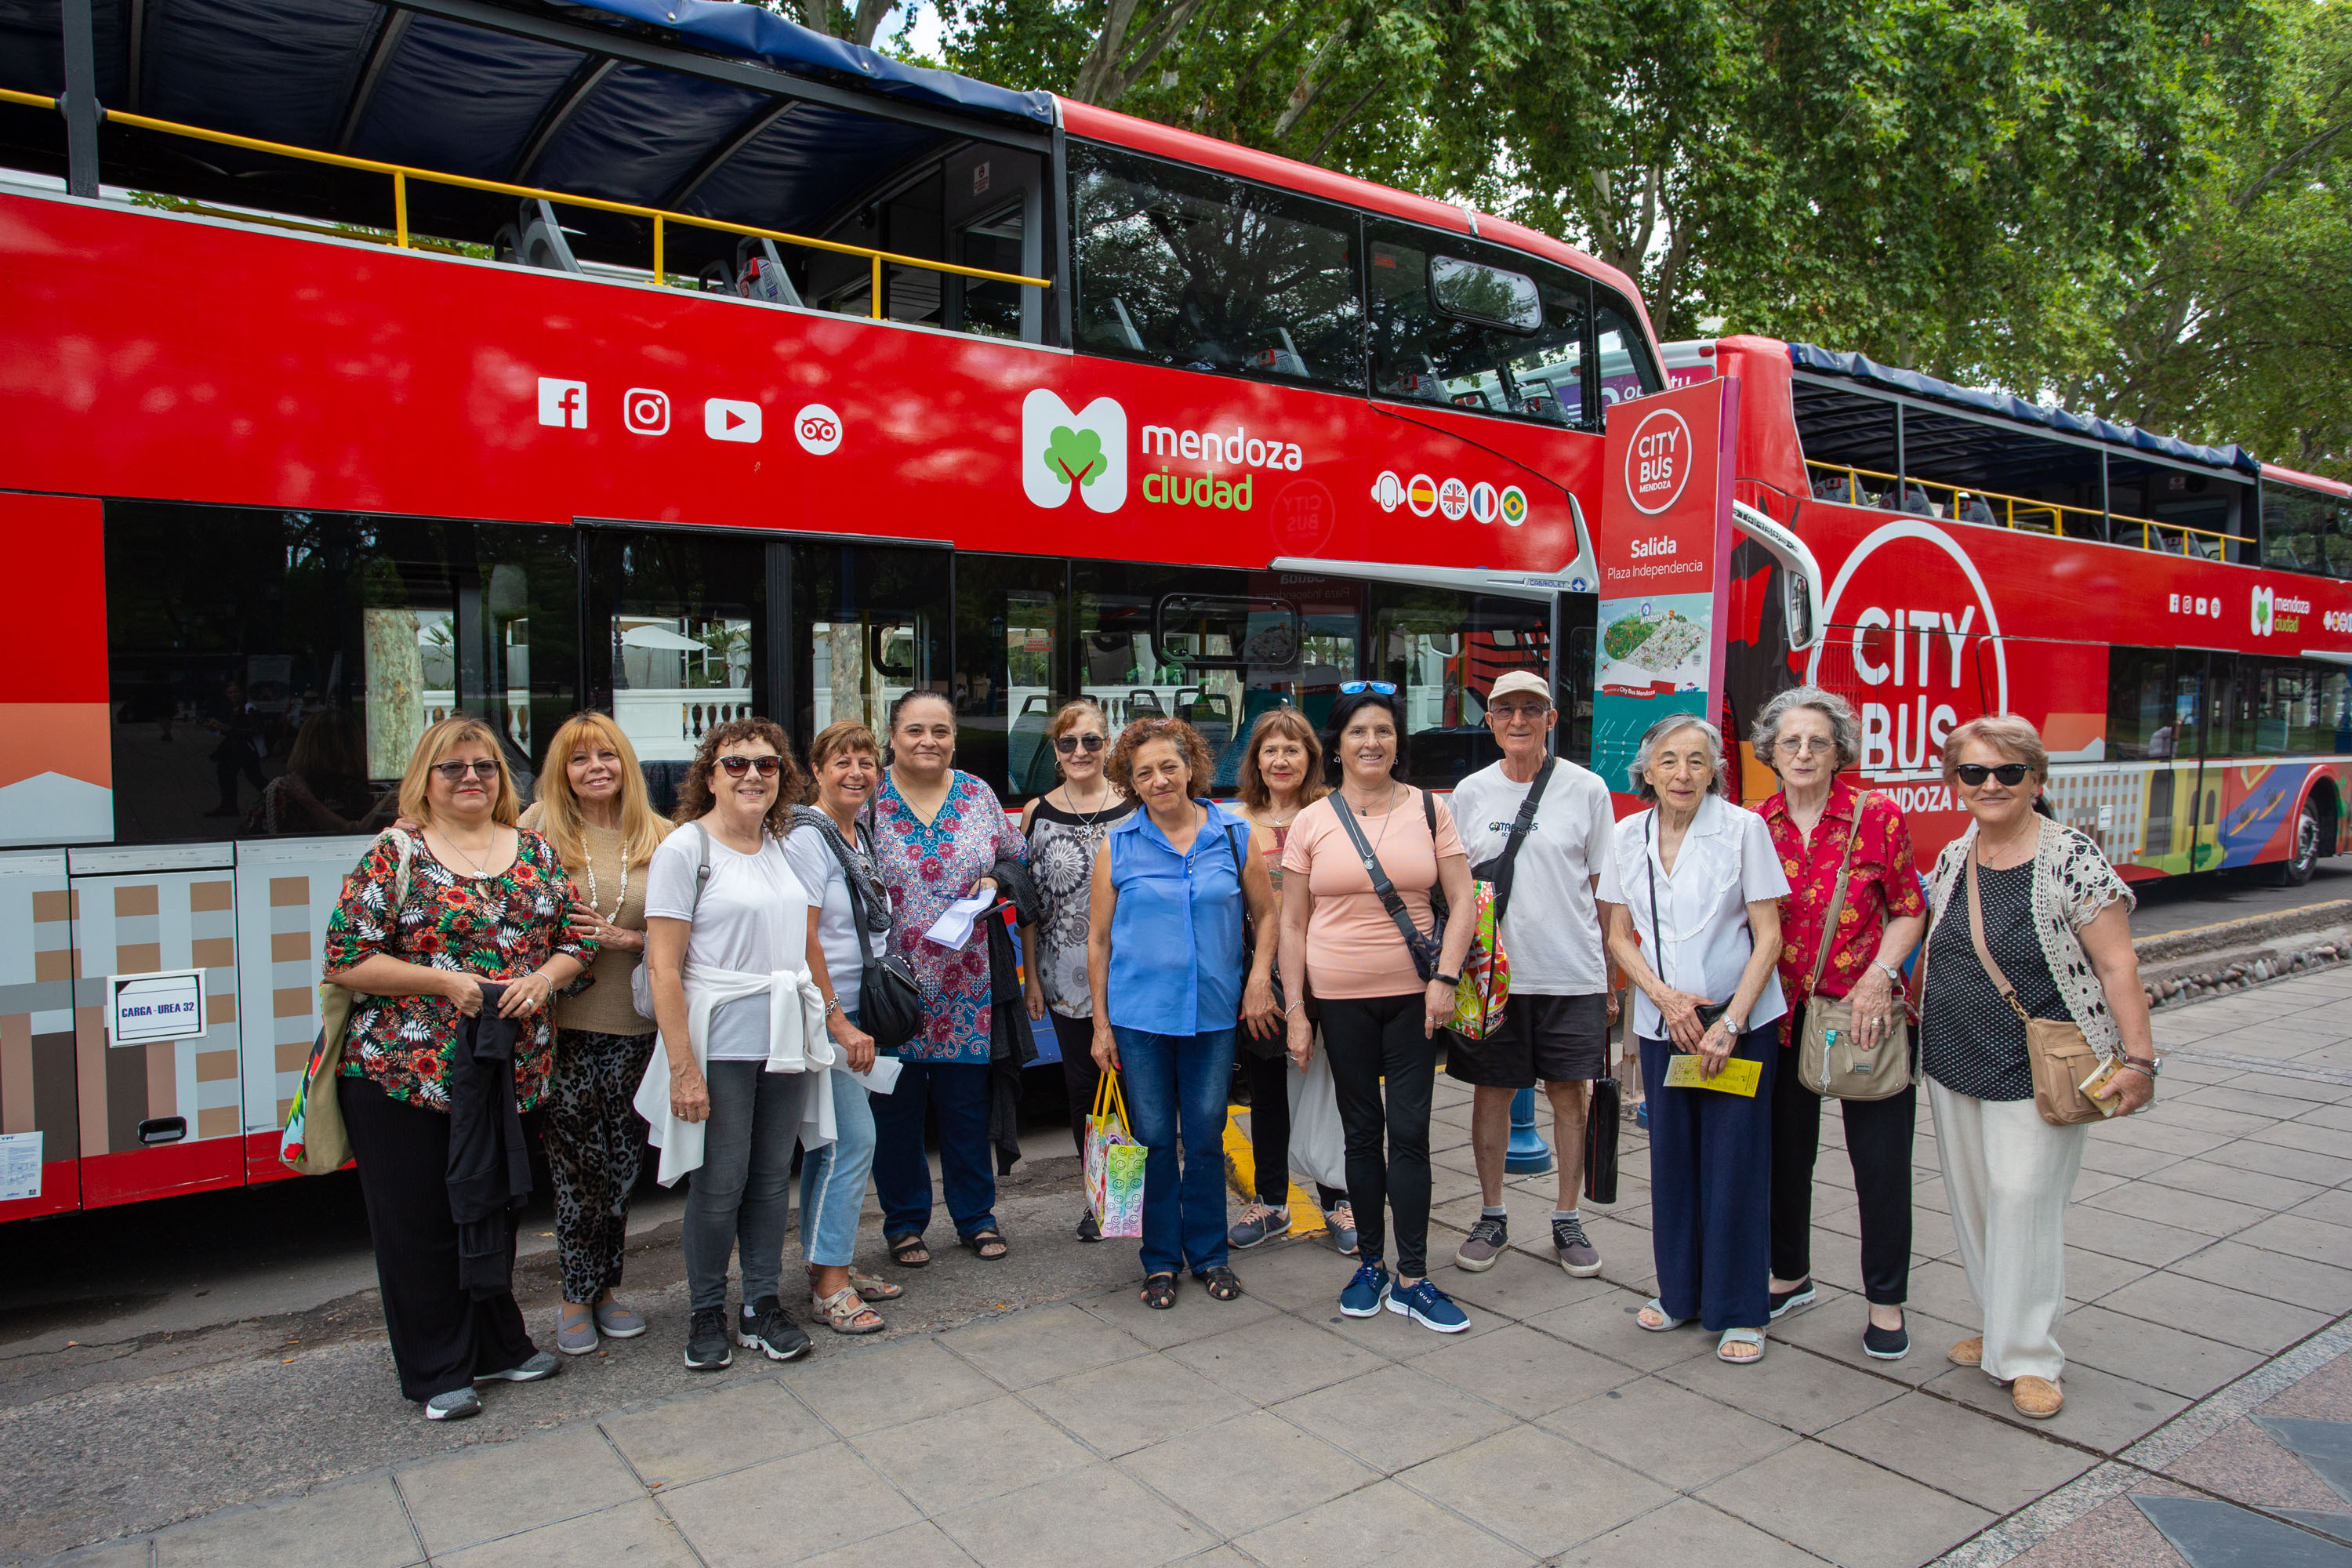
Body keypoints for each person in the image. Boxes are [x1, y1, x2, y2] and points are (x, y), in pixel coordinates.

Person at [321, 714, 593, 1421]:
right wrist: (443, 982)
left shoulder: (532, 849)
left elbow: (575, 940)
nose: (471, 778)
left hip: (509, 1074)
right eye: (453, 768)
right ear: (426, 779)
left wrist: (547, 979)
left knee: (495, 1213)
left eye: (485, 766)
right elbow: (347, 958)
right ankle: (437, 1368)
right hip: (406, 1075)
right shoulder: (395, 853)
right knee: (419, 1226)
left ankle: (498, 1346)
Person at [1918, 715, 2155, 1420]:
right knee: (1978, 1201)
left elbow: (2118, 964)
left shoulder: (2070, 857)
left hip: (2040, 1060)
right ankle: (2002, 1327)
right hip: (1954, 1051)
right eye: (1974, 772)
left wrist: (2139, 1060)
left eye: (2008, 772)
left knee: (2025, 1199)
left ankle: (2030, 1356)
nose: (1991, 785)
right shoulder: (1957, 854)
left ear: (2037, 780)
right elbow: (1941, 943)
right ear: (1955, 783)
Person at [1279, 684, 1479, 1333]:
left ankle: (1413, 1276)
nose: (1372, 743)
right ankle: (1371, 1263)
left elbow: (1463, 900)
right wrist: (1299, 1013)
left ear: (1399, 742)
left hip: (1414, 999)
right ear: (1336, 745)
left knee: (1412, 1135)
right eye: (1359, 732)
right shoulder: (1311, 821)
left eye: (1384, 732)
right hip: (1338, 999)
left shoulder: (1428, 809)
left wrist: (1445, 979)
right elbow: (1292, 926)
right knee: (1361, 1135)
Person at [640, 718, 832, 1372]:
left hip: (783, 1040)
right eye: (736, 764)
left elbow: (803, 944)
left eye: (768, 765)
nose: (753, 775)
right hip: (718, 1040)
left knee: (773, 1180)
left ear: (783, 776)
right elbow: (665, 968)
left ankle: (761, 1304)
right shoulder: (684, 850)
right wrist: (682, 1067)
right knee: (720, 1182)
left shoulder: (783, 842)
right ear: (710, 776)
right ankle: (705, 1311)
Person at [1600, 717, 1789, 1364]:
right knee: (1672, 1161)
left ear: (1715, 771)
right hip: (1666, 1025)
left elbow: (1769, 937)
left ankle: (1740, 1310)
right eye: (1669, 762)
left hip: (1739, 1026)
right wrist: (1663, 997)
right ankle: (1680, 1292)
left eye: (1697, 762)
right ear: (1648, 771)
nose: (1683, 774)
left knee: (1736, 1164)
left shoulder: (1744, 830)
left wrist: (1731, 1020)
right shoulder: (1628, 835)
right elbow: (1619, 935)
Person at [1751, 688, 1926, 1359]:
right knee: (1784, 1162)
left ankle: (1886, 1303)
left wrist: (1882, 976)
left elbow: (1910, 906)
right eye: (1790, 742)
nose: (1802, 753)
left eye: (1817, 742)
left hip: (1863, 1018)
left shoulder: (1876, 816)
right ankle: (1790, 1275)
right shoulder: (1754, 823)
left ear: (1838, 752)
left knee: (1880, 1168)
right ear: (1769, 750)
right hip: (1782, 1019)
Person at [1088, 717, 1279, 1308]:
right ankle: (1161, 1260)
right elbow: (1097, 940)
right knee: (1150, 1138)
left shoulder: (1232, 834)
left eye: (1169, 766)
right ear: (1130, 783)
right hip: (1140, 1019)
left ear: (1192, 766)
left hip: (1215, 1015)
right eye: (1143, 772)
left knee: (1203, 1136)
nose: (1159, 779)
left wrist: (1257, 984)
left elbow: (1267, 915)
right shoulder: (1117, 845)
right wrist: (1100, 1024)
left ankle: (1211, 1255)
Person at [1443, 670, 1620, 1277]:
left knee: (1571, 1096)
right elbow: (1456, 890)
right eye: (1505, 710)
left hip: (1572, 973)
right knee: (1491, 1094)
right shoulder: (1468, 793)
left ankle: (1567, 1218)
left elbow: (1603, 892)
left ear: (1551, 718)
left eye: (1531, 709)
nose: (1518, 720)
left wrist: (1613, 977)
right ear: (1489, 721)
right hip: (1492, 978)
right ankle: (1492, 1214)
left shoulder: (1587, 789)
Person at [517, 713, 673, 1356]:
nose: (596, 769)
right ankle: (575, 1298)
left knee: (620, 1169)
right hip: (564, 1031)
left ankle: (607, 1290)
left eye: (607, 756)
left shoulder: (662, 837)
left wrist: (626, 939)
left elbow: (684, 938)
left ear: (626, 764)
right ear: (562, 771)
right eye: (579, 760)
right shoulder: (532, 831)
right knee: (577, 1172)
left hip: (636, 1029)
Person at [869, 690, 1027, 1268]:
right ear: (892, 736)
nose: (927, 741)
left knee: (965, 1111)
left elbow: (1016, 855)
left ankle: (975, 1217)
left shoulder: (978, 794)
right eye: (914, 730)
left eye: (939, 730)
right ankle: (904, 1223)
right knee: (897, 1114)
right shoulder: (869, 797)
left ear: (954, 737)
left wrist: (995, 882)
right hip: (891, 989)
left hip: (968, 987)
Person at [785, 720, 904, 1334]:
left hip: (853, 1008)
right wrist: (837, 1020)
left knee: (831, 1145)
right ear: (817, 770)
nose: (856, 772)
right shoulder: (810, 838)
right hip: (830, 1014)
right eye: (842, 762)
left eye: (865, 762)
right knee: (852, 1142)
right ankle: (830, 1287)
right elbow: (803, 934)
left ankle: (829, 1262)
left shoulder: (856, 833)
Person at [1226, 709, 1356, 1255]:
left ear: (1311, 758)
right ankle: (1273, 1202)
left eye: (1293, 749)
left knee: (1333, 1086)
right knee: (1268, 1090)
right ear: (1256, 760)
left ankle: (1339, 1198)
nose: (1281, 760)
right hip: (1259, 975)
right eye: (1270, 750)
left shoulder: (1337, 814)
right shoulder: (1233, 822)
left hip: (1329, 971)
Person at [1019, 699, 1134, 1242]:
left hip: (1130, 975)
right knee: (1083, 1092)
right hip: (1063, 980)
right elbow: (1031, 903)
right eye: (1068, 743)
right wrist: (1032, 978)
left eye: (1091, 741)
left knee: (1138, 1089)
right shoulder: (1036, 813)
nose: (1080, 751)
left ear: (1107, 745)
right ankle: (1101, 1200)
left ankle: (1138, 1197)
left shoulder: (1135, 808)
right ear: (1056, 751)